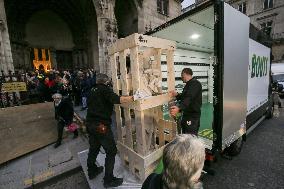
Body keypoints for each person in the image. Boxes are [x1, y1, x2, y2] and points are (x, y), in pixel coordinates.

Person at [86, 73, 134, 188]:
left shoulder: (92, 89)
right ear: (106, 81)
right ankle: (108, 179)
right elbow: (118, 99)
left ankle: (92, 171)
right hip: (101, 126)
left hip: (90, 124)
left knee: (94, 148)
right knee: (111, 151)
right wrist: (134, 97)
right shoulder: (104, 89)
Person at [169, 68, 202, 135]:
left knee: (190, 136)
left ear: (185, 74)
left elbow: (189, 97)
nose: (181, 77)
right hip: (187, 114)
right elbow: (185, 97)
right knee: (185, 134)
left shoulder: (195, 84)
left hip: (192, 116)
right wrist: (177, 95)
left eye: (182, 75)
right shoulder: (189, 84)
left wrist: (179, 108)